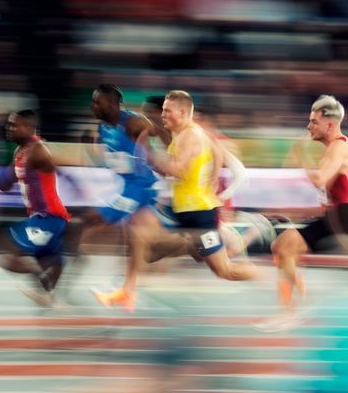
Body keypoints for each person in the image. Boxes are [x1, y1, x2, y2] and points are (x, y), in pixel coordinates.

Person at [144, 90, 261, 281]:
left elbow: (180, 170)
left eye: (167, 111)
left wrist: (150, 156)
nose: (163, 115)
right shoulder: (181, 135)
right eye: (162, 111)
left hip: (199, 213)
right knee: (152, 253)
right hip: (186, 210)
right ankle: (215, 240)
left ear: (183, 112)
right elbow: (176, 172)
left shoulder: (191, 135)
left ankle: (270, 276)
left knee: (225, 270)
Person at [259, 94, 348, 331]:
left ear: (329, 124)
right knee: (282, 246)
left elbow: (320, 180)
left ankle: (293, 311)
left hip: (344, 216)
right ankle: (294, 307)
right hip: (338, 215)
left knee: (284, 247)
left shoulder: (338, 146)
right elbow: (327, 194)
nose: (308, 126)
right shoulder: (334, 148)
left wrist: (302, 156)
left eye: (313, 122)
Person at [0, 110, 71, 307]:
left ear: (29, 128)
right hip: (47, 218)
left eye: (14, 126)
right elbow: (4, 183)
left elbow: (57, 166)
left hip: (49, 218)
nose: (9, 129)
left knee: (1, 248)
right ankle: (49, 294)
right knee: (52, 260)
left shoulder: (37, 149)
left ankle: (42, 280)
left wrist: (74, 183)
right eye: (8, 125)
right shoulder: (21, 152)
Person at [83, 84, 162, 311]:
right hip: (128, 186)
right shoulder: (103, 128)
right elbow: (110, 158)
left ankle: (64, 270)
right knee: (136, 237)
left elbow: (159, 134)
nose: (93, 106)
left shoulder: (133, 122)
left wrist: (173, 158)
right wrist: (90, 150)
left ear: (111, 103)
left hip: (141, 187)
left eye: (97, 102)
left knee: (94, 219)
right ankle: (129, 289)